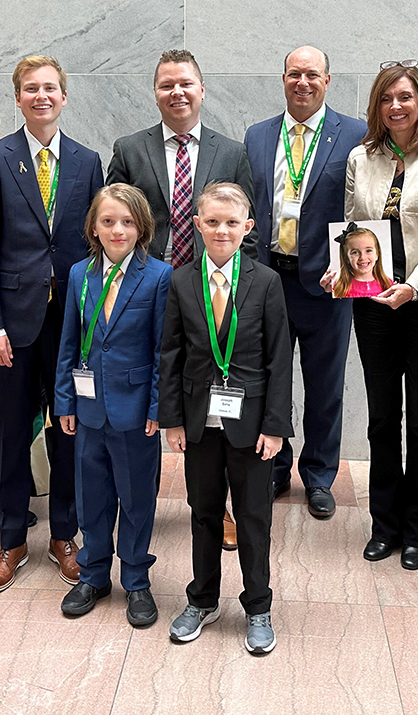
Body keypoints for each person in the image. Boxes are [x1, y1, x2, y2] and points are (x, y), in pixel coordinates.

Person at [107, 48, 255, 549]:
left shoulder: (232, 152)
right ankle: (138, 503)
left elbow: (243, 234)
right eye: (167, 84)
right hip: (145, 290)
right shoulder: (130, 149)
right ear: (156, 92)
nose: (178, 92)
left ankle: (218, 507)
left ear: (201, 89)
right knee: (150, 381)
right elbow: (113, 222)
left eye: (186, 83)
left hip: (207, 292)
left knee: (213, 390)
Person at [329, 63, 418, 570]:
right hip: (373, 307)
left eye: (406, 96)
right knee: (382, 418)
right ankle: (384, 525)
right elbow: (353, 228)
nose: (397, 106)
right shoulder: (360, 156)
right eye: (387, 97)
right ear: (377, 105)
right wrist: (341, 270)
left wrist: (415, 286)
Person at [0, 55, 104, 594]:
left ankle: (65, 537)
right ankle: (11, 540)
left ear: (64, 97)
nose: (41, 96)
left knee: (69, 428)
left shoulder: (88, 160)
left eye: (50, 88)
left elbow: (98, 247)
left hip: (72, 323)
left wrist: (97, 323)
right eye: (31, 89)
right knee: (10, 433)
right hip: (14, 327)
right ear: (18, 98)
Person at [160, 182, 292, 655]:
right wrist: (172, 419)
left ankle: (258, 604)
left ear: (248, 228)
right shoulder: (180, 281)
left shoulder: (267, 282)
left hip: (252, 425)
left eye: (231, 223)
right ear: (196, 225)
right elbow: (170, 354)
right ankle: (202, 599)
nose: (221, 230)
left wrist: (276, 425)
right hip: (198, 423)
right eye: (212, 222)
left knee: (254, 518)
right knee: (204, 513)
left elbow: (280, 358)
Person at [245, 45, 365, 518]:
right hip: (269, 278)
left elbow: (365, 206)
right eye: (295, 74)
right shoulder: (257, 136)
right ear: (283, 79)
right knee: (272, 381)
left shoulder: (355, 134)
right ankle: (275, 467)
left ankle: (319, 476)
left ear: (328, 81)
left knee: (325, 384)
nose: (303, 83)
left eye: (312, 75)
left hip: (329, 283)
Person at [54, 184, 172, 626]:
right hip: (88, 409)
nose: (117, 229)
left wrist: (157, 408)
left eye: (126, 221)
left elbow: (162, 350)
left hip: (135, 409)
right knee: (92, 495)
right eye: (108, 221)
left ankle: (137, 580)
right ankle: (94, 572)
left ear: (141, 227)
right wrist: (65, 399)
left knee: (136, 496)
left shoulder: (158, 276)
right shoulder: (80, 275)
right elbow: (69, 343)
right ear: (94, 228)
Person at [331, 226, 392, 298]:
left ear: (377, 254)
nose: (362, 257)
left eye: (368, 251)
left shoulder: (388, 284)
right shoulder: (339, 286)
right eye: (355, 252)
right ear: (346, 258)